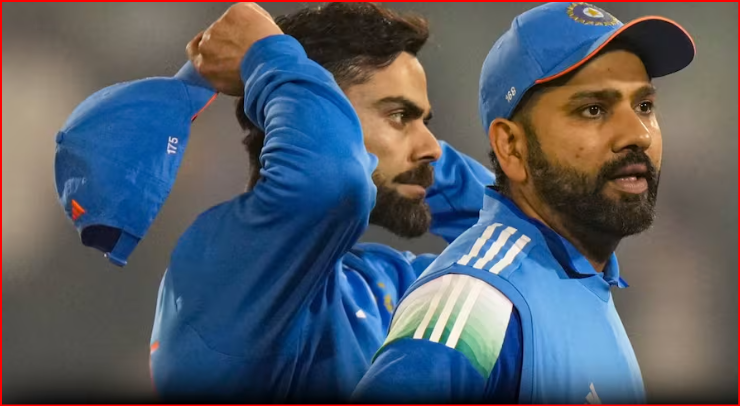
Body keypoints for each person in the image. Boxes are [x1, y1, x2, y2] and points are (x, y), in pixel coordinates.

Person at [149, 2, 493, 402]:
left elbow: (526, 239)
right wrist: (268, 56)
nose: (434, 148)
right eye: (400, 115)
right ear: (326, 121)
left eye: (424, 122)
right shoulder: (226, 273)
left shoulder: (385, 279)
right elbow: (330, 181)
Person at [352, 2, 695, 404]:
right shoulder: (477, 300)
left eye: (644, 106)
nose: (637, 134)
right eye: (593, 109)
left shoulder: (586, 283)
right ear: (511, 146)